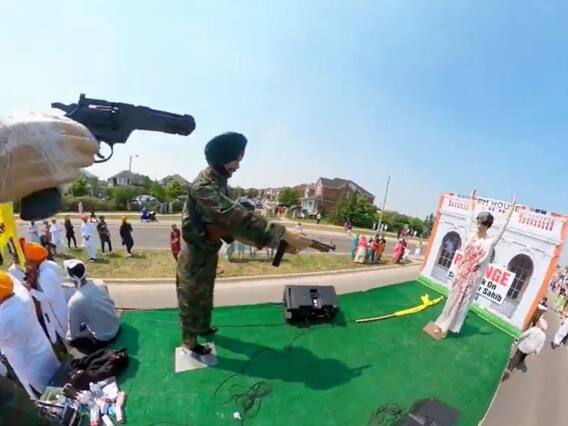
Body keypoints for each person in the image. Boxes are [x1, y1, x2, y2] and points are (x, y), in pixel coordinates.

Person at [176, 132, 312, 355]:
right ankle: (189, 341)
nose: (237, 166)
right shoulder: (203, 187)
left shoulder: (218, 183)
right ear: (221, 158)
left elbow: (228, 226)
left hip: (208, 250)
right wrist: (282, 233)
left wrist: (279, 244)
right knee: (191, 297)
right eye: (235, 160)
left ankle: (203, 327)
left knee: (205, 293)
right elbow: (234, 217)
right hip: (194, 253)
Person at [428, 190, 516, 339]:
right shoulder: (470, 235)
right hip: (460, 274)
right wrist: (471, 201)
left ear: (487, 226)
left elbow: (502, 230)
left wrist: (510, 211)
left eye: (482, 224)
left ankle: (446, 327)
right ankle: (442, 323)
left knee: (460, 303)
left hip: (471, 279)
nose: (479, 225)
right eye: (478, 222)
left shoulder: (489, 242)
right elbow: (468, 218)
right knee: (451, 300)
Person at [0, 271, 60, 398]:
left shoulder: (3, 319)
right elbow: (12, 280)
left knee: (52, 399)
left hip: (32, 371)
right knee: (62, 381)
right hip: (46, 353)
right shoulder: (23, 296)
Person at [64, 260, 120, 354]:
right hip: (117, 326)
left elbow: (73, 333)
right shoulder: (100, 283)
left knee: (70, 341)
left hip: (103, 339)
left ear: (70, 278)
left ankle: (95, 353)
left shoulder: (74, 301)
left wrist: (68, 338)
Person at [23, 242, 68, 345]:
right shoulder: (50, 265)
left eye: (29, 260)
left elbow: (48, 297)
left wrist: (31, 290)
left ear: (34, 260)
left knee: (62, 334)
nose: (27, 262)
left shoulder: (45, 275)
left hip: (55, 311)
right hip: (59, 304)